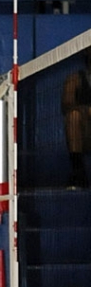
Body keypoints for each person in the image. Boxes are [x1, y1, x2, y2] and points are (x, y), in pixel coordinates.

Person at [61, 46, 91, 190]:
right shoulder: (75, 79)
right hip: (85, 133)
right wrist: (87, 111)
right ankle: (78, 172)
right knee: (73, 117)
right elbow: (67, 105)